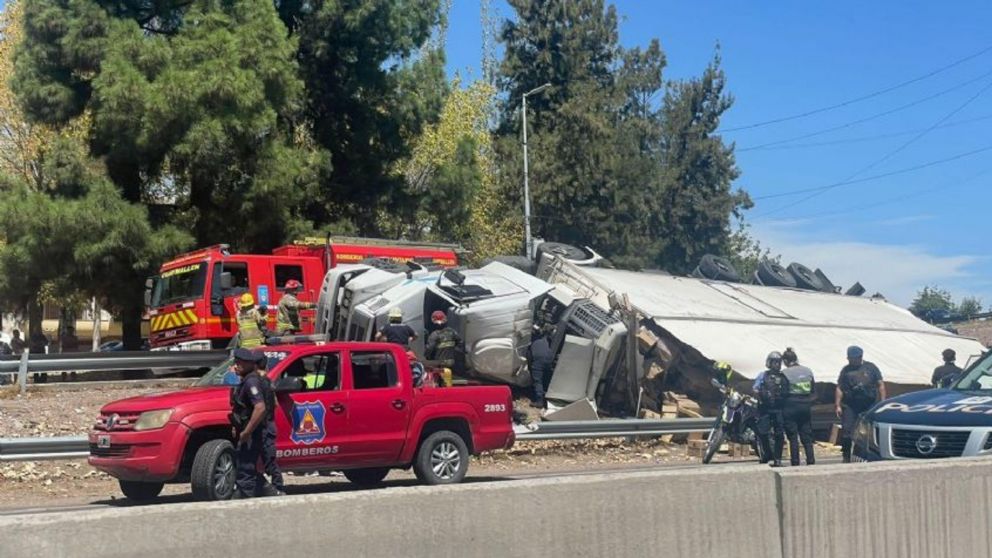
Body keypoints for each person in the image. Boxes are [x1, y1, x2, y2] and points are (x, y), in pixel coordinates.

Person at [229, 348, 279, 498]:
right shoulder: (247, 380)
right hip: (249, 431)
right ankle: (269, 491)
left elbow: (260, 407)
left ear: (249, 364)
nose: (236, 366)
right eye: (236, 363)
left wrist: (247, 432)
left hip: (253, 433)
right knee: (245, 466)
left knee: (246, 468)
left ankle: (246, 497)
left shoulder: (251, 381)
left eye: (239, 363)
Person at [835, 345, 886, 463]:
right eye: (850, 359)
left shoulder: (871, 368)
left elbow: (880, 385)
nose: (852, 361)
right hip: (850, 404)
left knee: (869, 430)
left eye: (854, 358)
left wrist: (883, 402)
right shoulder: (845, 370)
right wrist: (837, 405)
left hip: (868, 404)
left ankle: (871, 454)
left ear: (860, 357)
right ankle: (846, 456)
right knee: (847, 430)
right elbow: (839, 388)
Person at [253, 353, 284, 497]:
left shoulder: (257, 382)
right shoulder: (268, 381)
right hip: (268, 423)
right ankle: (277, 487)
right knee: (269, 459)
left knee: (261, 459)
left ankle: (276, 488)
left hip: (262, 424)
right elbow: (275, 404)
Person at [781, 348, 816, 466]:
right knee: (806, 435)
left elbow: (783, 392)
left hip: (790, 405)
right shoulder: (808, 371)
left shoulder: (785, 373)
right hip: (805, 405)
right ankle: (811, 460)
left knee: (793, 436)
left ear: (786, 361)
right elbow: (813, 390)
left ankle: (795, 461)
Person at [755, 351, 789, 467]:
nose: (777, 365)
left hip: (779, 409)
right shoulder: (763, 375)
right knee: (762, 432)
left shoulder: (783, 377)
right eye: (775, 362)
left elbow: (787, 392)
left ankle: (777, 458)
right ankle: (766, 454)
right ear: (769, 363)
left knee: (779, 434)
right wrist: (760, 397)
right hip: (765, 409)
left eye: (779, 362)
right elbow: (755, 389)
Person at [527, 326, 554, 409]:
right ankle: (548, 399)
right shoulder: (547, 341)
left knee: (537, 381)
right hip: (548, 361)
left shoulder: (534, 342)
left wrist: (530, 367)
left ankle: (539, 402)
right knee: (546, 380)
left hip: (538, 361)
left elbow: (529, 356)